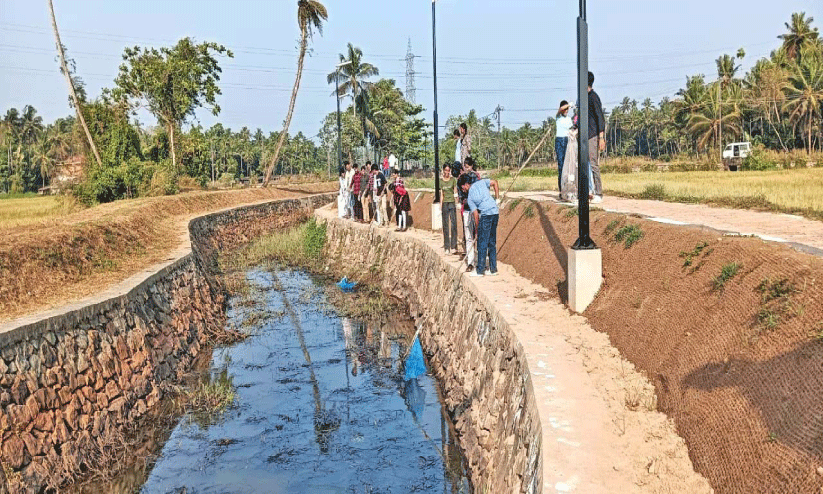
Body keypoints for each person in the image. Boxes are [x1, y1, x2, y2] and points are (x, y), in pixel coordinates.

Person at [460, 173, 500, 277]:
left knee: (482, 243)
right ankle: (493, 269)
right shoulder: (482, 182)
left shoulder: (470, 197)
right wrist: (497, 199)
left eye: (462, 187)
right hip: (495, 213)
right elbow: (495, 182)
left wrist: (478, 229)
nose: (462, 189)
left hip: (486, 215)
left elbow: (476, 215)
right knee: (491, 242)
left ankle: (480, 270)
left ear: (466, 184)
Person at [457, 157, 479, 271]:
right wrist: (462, 202)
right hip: (466, 209)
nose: (467, 168)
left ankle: (479, 260)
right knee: (469, 236)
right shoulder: (461, 178)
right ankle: (470, 262)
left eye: (468, 166)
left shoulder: (476, 177)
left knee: (478, 234)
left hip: (476, 209)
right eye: (465, 166)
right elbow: (460, 195)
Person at [587, 71, 606, 204]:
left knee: (593, 164)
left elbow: (600, 117)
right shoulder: (583, 98)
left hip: (593, 135)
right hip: (583, 136)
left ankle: (599, 193)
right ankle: (588, 190)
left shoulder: (593, 97)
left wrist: (601, 137)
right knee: (583, 165)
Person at [440, 164, 458, 253]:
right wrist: (440, 206)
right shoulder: (441, 181)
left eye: (448, 170)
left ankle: (454, 245)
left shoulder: (453, 180)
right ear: (443, 170)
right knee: (445, 225)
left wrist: (457, 202)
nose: (447, 172)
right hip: (445, 203)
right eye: (445, 170)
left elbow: (455, 191)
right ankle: (447, 246)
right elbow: (441, 194)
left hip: (452, 202)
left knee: (453, 223)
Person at [555, 100, 572, 192]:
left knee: (568, 166)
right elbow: (561, 108)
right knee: (561, 166)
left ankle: (568, 188)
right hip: (559, 140)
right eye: (565, 109)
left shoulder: (569, 119)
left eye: (567, 109)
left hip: (567, 140)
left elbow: (571, 130)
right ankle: (561, 190)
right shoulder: (558, 117)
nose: (566, 110)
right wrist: (569, 104)